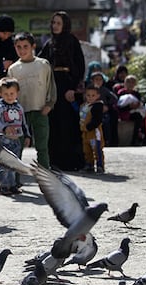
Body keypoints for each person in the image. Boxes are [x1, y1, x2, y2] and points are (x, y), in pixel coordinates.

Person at [38, 11, 86, 171]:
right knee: (54, 123)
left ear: (65, 25)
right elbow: (40, 61)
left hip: (67, 85)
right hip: (52, 86)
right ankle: (55, 161)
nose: (55, 26)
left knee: (68, 124)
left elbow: (79, 66)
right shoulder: (49, 43)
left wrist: (73, 88)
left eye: (58, 23)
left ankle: (72, 162)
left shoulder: (72, 41)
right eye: (54, 23)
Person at [7, 32, 57, 169]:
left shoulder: (43, 64)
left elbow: (51, 86)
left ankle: (46, 179)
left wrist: (49, 104)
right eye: (19, 47)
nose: (22, 50)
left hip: (41, 110)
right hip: (19, 114)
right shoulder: (13, 69)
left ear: (33, 46)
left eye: (25, 46)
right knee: (17, 147)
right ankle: (14, 181)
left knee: (42, 147)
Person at [0, 77, 31, 195]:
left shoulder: (19, 108)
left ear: (17, 93)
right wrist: (4, 128)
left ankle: (12, 185)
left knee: (14, 164)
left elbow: (23, 123)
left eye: (12, 93)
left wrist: (27, 136)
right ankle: (3, 186)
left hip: (16, 140)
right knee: (3, 164)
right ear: (1, 94)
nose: (9, 96)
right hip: (3, 140)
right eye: (5, 94)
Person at [79, 84, 105, 174]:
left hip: (94, 133)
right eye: (88, 95)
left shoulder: (97, 106)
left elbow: (97, 120)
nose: (90, 97)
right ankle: (89, 164)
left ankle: (100, 165)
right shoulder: (84, 105)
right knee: (86, 149)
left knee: (96, 149)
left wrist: (89, 127)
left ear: (98, 96)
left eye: (93, 95)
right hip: (84, 132)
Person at [90, 71, 119, 147]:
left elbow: (114, 98)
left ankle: (107, 140)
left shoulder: (104, 90)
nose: (98, 81)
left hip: (102, 112)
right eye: (96, 79)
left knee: (106, 123)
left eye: (100, 80)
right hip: (90, 111)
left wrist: (107, 106)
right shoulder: (89, 90)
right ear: (92, 81)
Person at [116, 75, 146, 146]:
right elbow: (118, 106)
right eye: (128, 82)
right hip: (123, 113)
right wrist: (129, 107)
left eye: (132, 82)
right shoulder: (121, 92)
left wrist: (136, 106)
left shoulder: (136, 94)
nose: (130, 84)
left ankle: (136, 139)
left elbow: (140, 104)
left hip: (134, 112)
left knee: (139, 117)